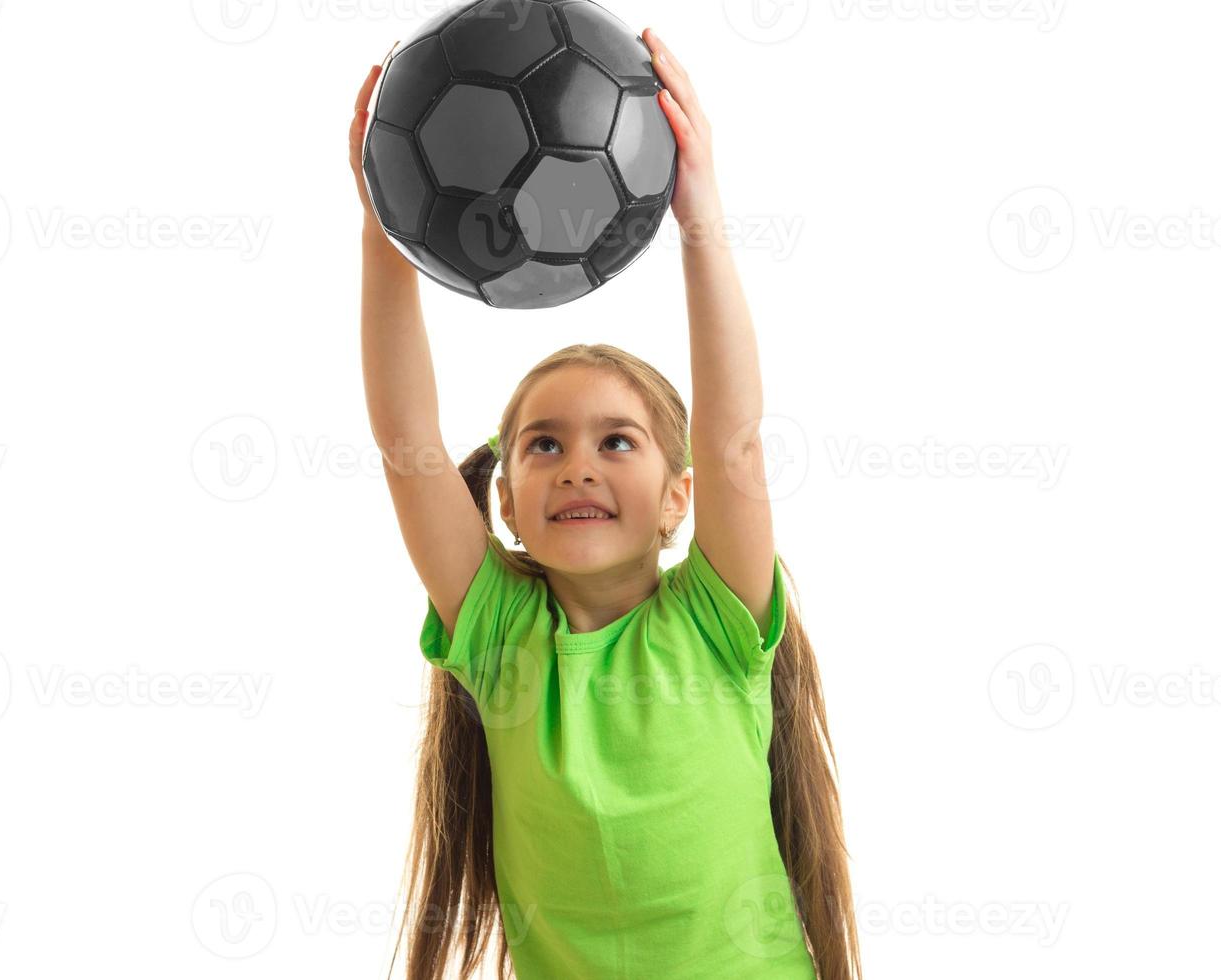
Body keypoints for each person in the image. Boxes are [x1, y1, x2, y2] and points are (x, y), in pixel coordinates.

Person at [352, 26, 861, 980]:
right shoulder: (503, 638)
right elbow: (406, 444)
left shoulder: (717, 621)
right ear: (506, 500)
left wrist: (702, 221)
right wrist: (388, 242)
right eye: (545, 445)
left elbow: (734, 438)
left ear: (678, 500)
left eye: (616, 442)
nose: (578, 467)